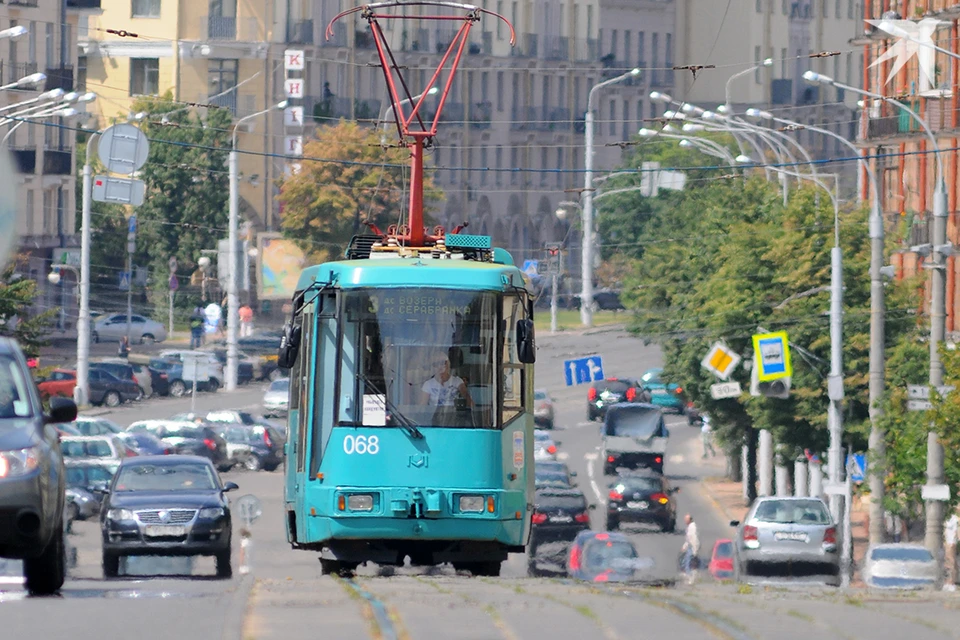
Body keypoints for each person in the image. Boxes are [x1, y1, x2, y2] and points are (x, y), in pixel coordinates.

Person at [421, 353, 474, 424]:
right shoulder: (428, 384)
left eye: (443, 363)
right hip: (435, 418)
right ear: (432, 367)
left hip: (454, 418)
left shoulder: (457, 381)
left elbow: (468, 400)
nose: (440, 366)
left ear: (448, 364)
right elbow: (422, 407)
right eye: (436, 364)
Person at [680, 513, 700, 584]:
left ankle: (690, 577)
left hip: (692, 546)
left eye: (686, 519)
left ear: (689, 520)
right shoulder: (690, 527)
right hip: (690, 546)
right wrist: (684, 546)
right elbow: (688, 539)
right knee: (686, 561)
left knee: (689, 562)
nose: (685, 521)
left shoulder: (692, 527)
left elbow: (693, 539)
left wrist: (695, 549)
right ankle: (688, 575)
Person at [945, 511, 959, 590]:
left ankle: (952, 581)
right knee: (950, 559)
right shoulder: (949, 517)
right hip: (948, 541)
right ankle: (954, 579)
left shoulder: (956, 518)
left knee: (951, 560)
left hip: (952, 542)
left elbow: (957, 531)